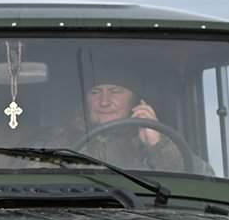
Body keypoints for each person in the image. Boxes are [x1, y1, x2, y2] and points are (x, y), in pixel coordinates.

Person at [49, 62, 189, 172]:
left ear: (136, 101)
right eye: (95, 92)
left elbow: (199, 180)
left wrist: (157, 145)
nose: (104, 102)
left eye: (115, 92)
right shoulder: (59, 142)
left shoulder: (154, 144)